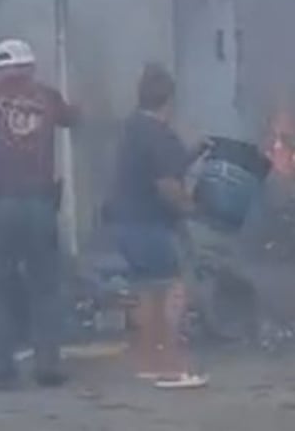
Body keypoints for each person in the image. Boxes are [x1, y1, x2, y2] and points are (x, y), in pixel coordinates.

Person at [0, 38, 78, 390]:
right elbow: (75, 118)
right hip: (39, 204)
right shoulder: (47, 97)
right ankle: (47, 365)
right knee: (45, 286)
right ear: (31, 67)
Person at [108, 63, 209, 389]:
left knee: (147, 292)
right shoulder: (159, 134)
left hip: (126, 224)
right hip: (151, 226)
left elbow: (154, 166)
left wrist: (193, 152)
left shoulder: (133, 127)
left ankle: (150, 363)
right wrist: (192, 208)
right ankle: (172, 368)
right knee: (172, 291)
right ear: (169, 100)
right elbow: (167, 184)